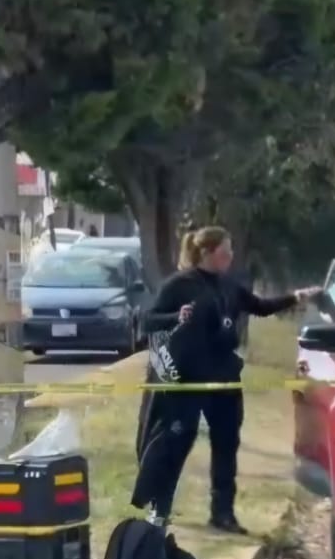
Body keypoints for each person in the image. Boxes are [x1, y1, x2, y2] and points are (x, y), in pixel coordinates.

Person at [131, 226, 320, 534]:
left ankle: (223, 513)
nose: (230, 257)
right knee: (177, 441)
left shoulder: (229, 285)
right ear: (206, 253)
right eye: (225, 252)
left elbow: (259, 306)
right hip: (188, 378)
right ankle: (159, 508)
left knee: (227, 443)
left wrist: (296, 297)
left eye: (231, 251)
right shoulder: (180, 285)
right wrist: (175, 317)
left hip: (224, 376)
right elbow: (147, 322)